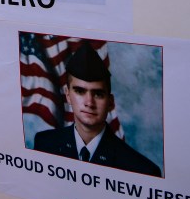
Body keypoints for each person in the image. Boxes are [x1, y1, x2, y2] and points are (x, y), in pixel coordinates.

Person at [33, 43, 162, 177]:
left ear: (110, 103)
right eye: (80, 91)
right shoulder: (45, 144)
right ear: (68, 96)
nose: (89, 103)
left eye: (98, 94)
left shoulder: (141, 170)